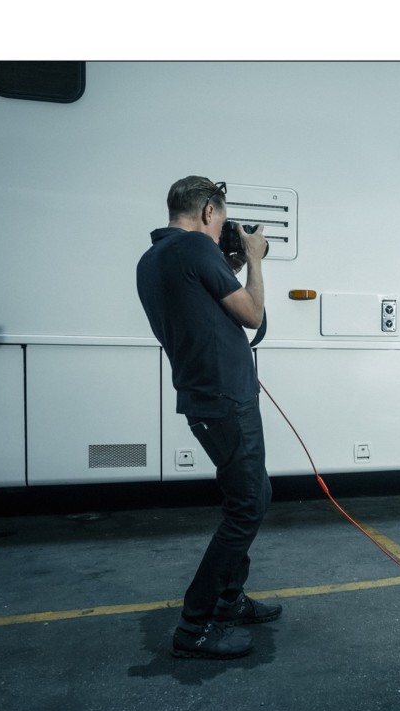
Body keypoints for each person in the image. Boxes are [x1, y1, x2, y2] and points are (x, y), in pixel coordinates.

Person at [137, 176, 281, 659]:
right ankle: (194, 626)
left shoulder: (153, 259)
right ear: (207, 212)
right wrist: (254, 259)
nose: (222, 231)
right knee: (249, 505)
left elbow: (200, 305)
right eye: (222, 221)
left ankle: (229, 600)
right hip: (227, 399)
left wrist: (227, 266)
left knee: (251, 494)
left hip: (202, 398)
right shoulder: (197, 248)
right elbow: (253, 314)